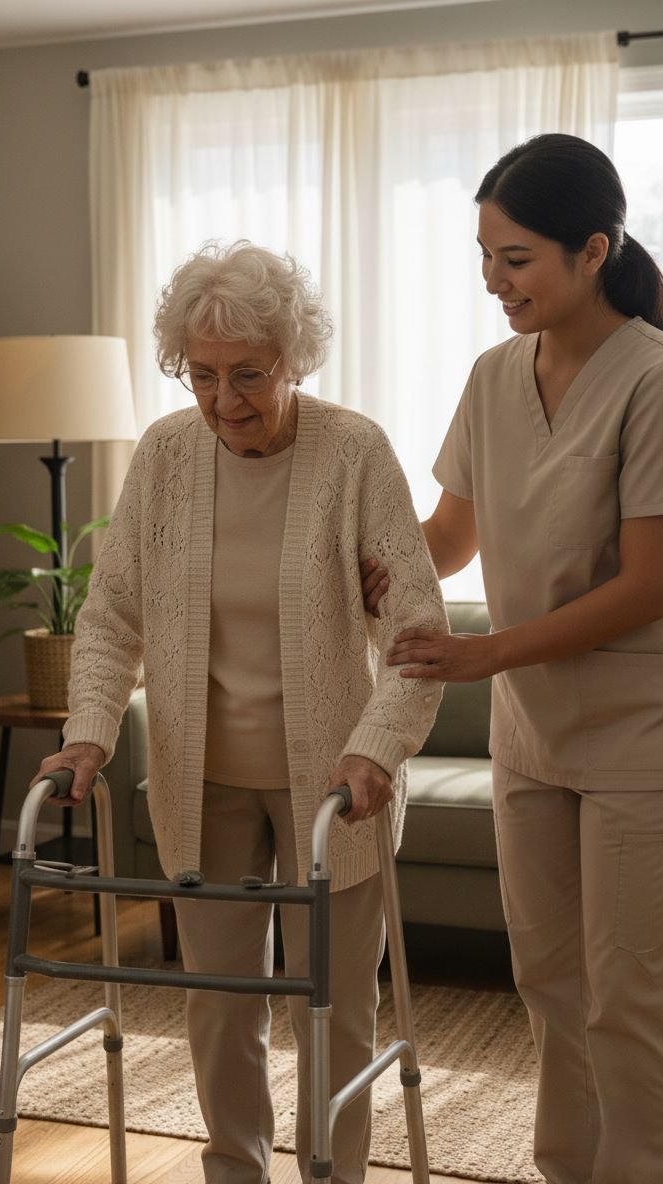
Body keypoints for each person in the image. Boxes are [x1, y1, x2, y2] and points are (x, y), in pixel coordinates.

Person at [33, 240, 447, 1184]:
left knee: (336, 1010)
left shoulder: (355, 452)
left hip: (334, 791)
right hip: (201, 777)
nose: (224, 402)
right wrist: (89, 732)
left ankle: (332, 1175)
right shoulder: (166, 456)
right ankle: (234, 1172)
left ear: (295, 359)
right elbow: (110, 617)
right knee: (219, 1007)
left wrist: (379, 750)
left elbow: (417, 633)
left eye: (248, 375)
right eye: (201, 375)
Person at [362, 133, 663, 1184]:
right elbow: (448, 539)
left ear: (593, 249)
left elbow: (646, 581)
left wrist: (484, 649)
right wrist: (362, 563)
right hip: (529, 732)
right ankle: (563, 1168)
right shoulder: (492, 377)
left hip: (638, 731)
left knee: (629, 993)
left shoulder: (653, 380)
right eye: (484, 256)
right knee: (546, 978)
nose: (494, 281)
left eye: (517, 258)